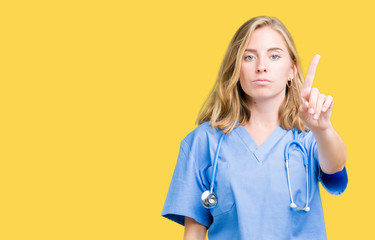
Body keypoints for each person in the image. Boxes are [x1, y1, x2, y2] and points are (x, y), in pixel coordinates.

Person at [161, 16, 348, 240]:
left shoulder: (309, 138)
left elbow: (335, 167)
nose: (261, 67)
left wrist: (323, 129)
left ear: (292, 69)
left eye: (274, 56)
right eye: (249, 57)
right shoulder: (204, 141)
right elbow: (194, 230)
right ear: (236, 68)